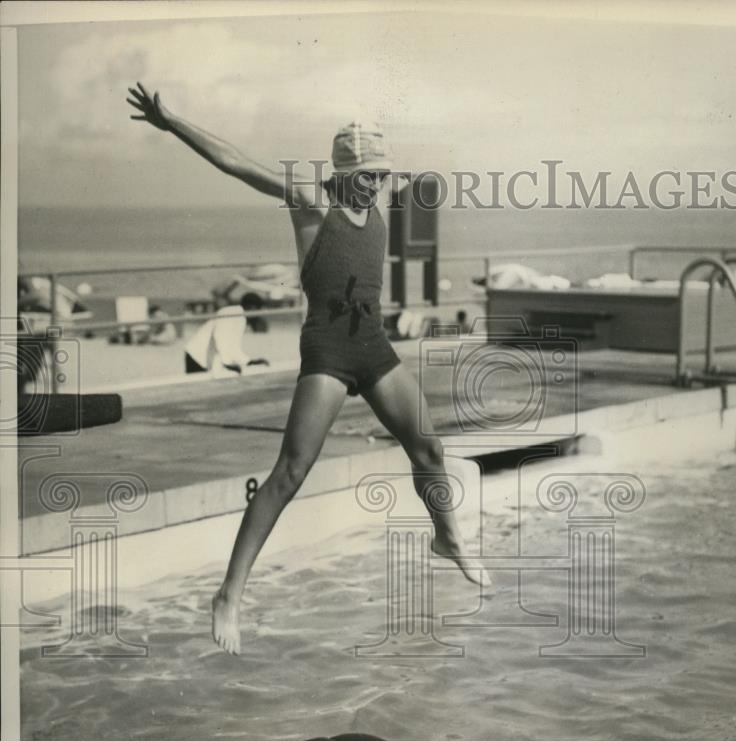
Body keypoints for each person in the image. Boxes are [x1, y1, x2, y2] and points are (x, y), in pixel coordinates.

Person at [127, 82, 490, 655]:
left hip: (374, 347)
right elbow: (236, 163)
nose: (376, 184)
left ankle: (447, 539)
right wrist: (172, 122)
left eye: (382, 175)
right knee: (291, 471)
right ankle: (228, 595)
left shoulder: (380, 205)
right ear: (343, 172)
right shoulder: (312, 203)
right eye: (367, 175)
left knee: (429, 449)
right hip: (327, 352)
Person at [183, 291, 268, 375]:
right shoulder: (232, 314)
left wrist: (248, 362)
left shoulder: (240, 317)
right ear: (251, 308)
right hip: (197, 356)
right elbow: (219, 337)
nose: (258, 315)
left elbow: (233, 347)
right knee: (199, 383)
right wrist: (227, 363)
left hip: (201, 356)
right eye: (258, 311)